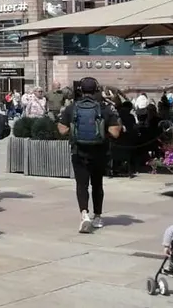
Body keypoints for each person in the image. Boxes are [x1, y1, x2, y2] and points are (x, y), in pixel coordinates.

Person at [57, 76, 123, 233]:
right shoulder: (105, 108)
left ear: (80, 90)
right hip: (99, 152)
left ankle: (84, 214)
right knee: (97, 184)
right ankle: (98, 216)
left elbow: (62, 129)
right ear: (96, 90)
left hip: (78, 152)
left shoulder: (72, 107)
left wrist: (75, 129)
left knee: (81, 185)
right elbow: (115, 133)